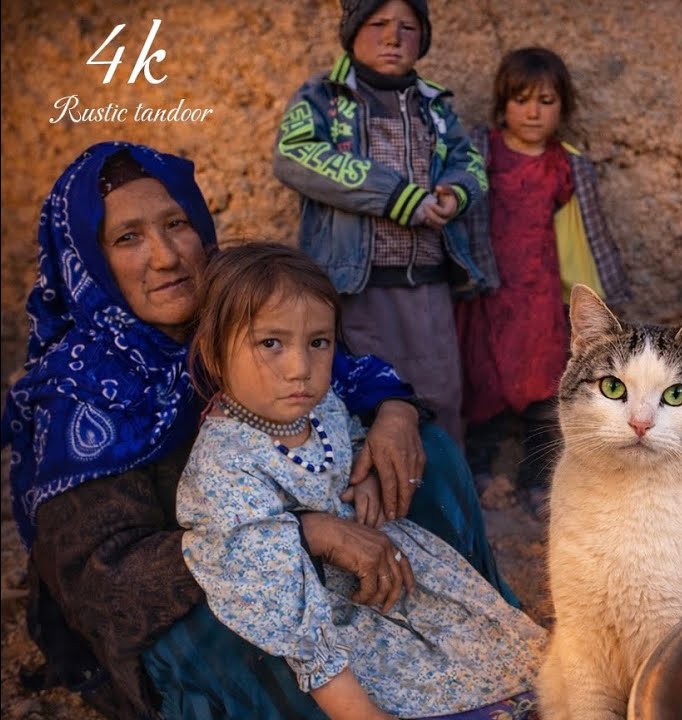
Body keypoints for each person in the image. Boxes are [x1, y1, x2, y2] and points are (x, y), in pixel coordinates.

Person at [1, 141, 512, 720]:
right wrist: (299, 533)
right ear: (89, 263)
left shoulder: (239, 311)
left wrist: (393, 414)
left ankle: (464, 644)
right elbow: (105, 583)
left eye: (177, 224)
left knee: (431, 455)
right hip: (190, 604)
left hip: (311, 560)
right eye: (128, 238)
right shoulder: (79, 396)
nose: (166, 256)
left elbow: (340, 370)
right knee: (249, 618)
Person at [180, 243, 544, 720]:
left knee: (515, 658)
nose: (300, 369)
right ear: (211, 349)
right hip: (323, 617)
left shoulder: (320, 403)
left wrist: (363, 475)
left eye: (318, 342)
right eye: (271, 343)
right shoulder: (225, 464)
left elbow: (346, 439)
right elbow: (282, 603)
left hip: (387, 579)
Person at [272, 0, 489, 446]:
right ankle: (370, 508)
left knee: (438, 395)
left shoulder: (436, 106)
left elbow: (471, 163)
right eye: (378, 24)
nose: (393, 37)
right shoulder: (323, 98)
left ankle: (441, 509)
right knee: (364, 399)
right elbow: (294, 155)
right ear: (352, 32)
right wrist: (396, 196)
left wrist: (455, 193)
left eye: (409, 27)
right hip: (355, 287)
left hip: (428, 284)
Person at [455, 46, 630, 498]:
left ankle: (540, 482)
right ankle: (481, 477)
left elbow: (590, 229)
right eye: (521, 99)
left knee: (544, 388)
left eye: (546, 102)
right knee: (484, 384)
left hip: (544, 300)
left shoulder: (565, 164)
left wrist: (599, 290)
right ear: (502, 104)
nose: (532, 112)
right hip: (489, 296)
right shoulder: (482, 153)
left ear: (563, 108)